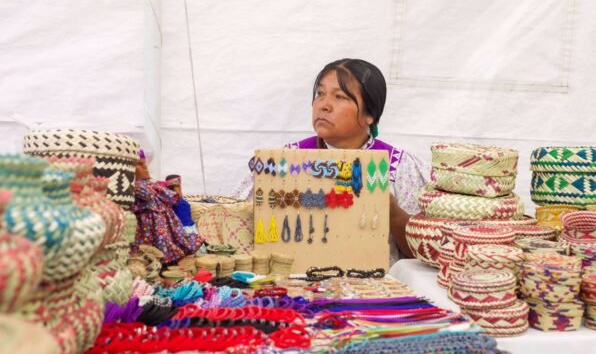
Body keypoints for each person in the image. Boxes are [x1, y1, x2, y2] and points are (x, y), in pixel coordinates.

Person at [234, 59, 430, 263]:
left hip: (373, 282)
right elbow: (237, 228)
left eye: (340, 96)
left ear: (370, 114)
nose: (324, 105)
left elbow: (427, 255)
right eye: (320, 94)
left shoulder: (397, 167)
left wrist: (393, 214)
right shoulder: (282, 163)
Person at [132, 152, 205, 264]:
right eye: (140, 164)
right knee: (153, 254)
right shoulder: (139, 189)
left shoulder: (155, 188)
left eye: (145, 163)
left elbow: (173, 198)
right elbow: (146, 195)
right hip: (153, 231)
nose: (146, 167)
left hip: (170, 230)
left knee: (168, 249)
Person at [165, 174, 208, 254]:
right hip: (182, 229)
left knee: (199, 250)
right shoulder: (171, 200)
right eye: (177, 186)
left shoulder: (180, 199)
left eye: (179, 185)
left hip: (191, 227)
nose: (180, 187)